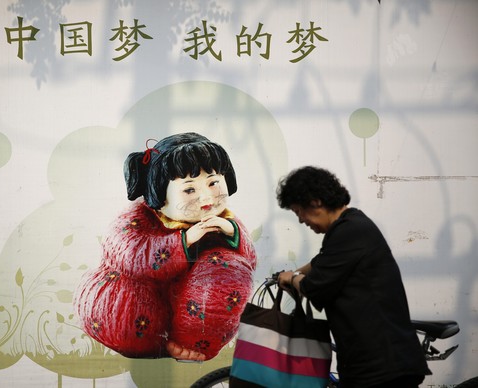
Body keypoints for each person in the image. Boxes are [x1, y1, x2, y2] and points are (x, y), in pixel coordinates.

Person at [75, 132, 257, 361]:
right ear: (161, 193)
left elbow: (249, 260)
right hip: (143, 309)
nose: (206, 198)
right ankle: (149, 342)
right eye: (190, 189)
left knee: (232, 267)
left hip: (188, 312)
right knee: (129, 306)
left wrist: (232, 232)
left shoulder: (224, 220)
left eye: (213, 183)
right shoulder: (136, 218)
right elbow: (132, 257)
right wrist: (186, 240)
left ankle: (193, 342)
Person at [275, 166, 429, 388]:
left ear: (316, 202)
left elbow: (315, 286)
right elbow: (323, 261)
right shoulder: (350, 227)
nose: (300, 220)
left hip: (383, 369)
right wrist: (294, 271)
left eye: (298, 211)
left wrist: (292, 279)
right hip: (376, 366)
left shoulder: (350, 231)